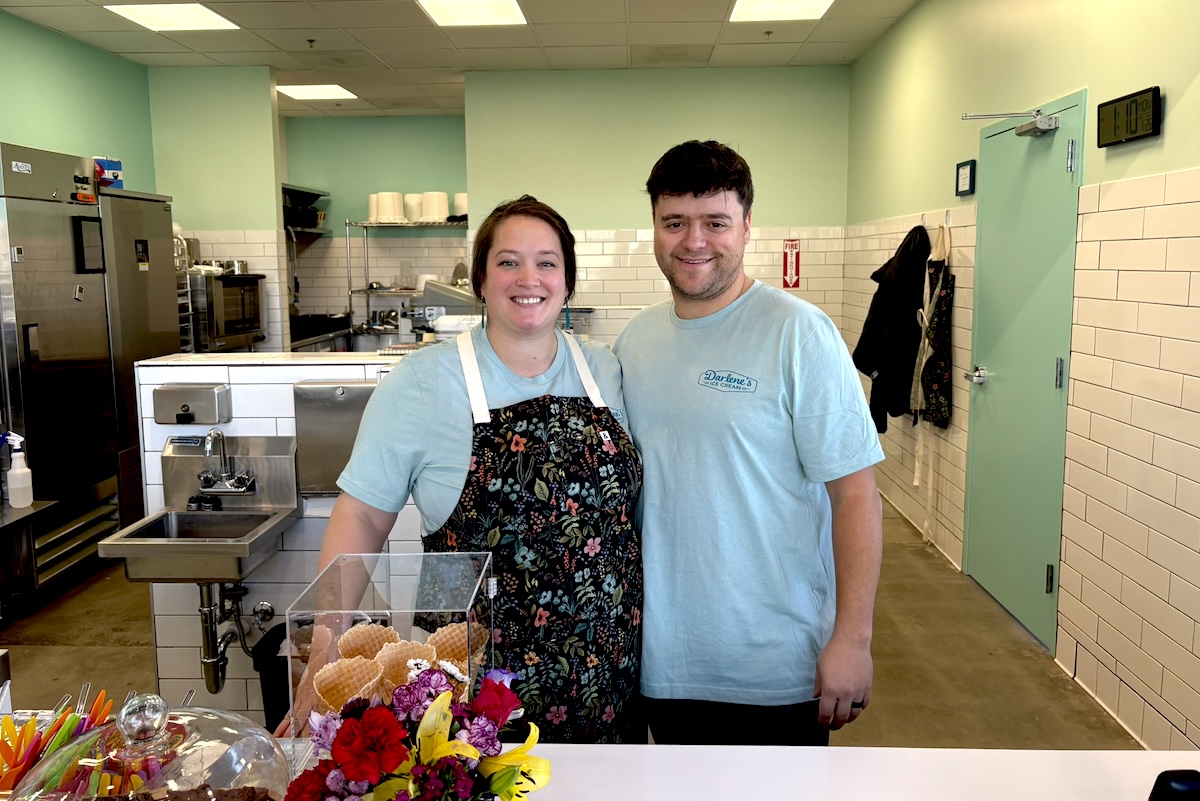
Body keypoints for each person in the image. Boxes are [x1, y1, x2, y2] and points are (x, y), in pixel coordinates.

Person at [309, 196, 644, 744]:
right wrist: (324, 652)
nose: (528, 278)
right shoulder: (422, 381)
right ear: (482, 280)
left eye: (547, 262)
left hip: (605, 680)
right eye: (508, 261)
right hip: (470, 695)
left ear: (568, 281)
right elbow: (363, 515)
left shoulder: (604, 370)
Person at [613, 141, 884, 746]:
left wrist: (852, 638)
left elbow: (856, 496)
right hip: (662, 661)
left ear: (746, 226)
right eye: (674, 222)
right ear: (654, 227)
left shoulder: (798, 333)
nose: (694, 241)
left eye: (715, 222)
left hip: (772, 666)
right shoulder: (637, 340)